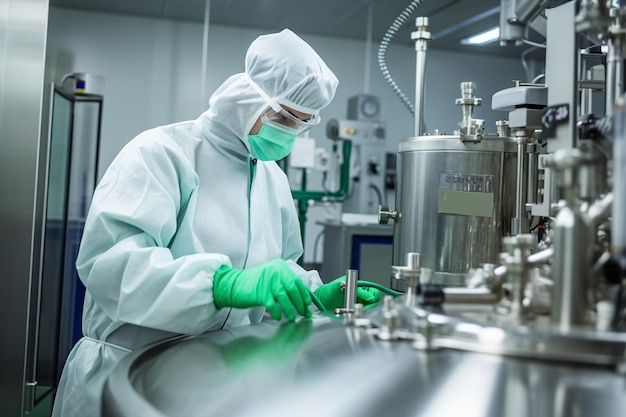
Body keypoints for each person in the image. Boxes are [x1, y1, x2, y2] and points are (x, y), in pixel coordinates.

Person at [51, 29, 381, 417]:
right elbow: (112, 267)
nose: (290, 133)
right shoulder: (162, 154)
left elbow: (273, 273)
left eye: (302, 123)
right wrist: (222, 284)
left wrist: (313, 295)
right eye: (285, 118)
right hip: (123, 375)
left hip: (210, 380)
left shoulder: (272, 179)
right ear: (246, 100)